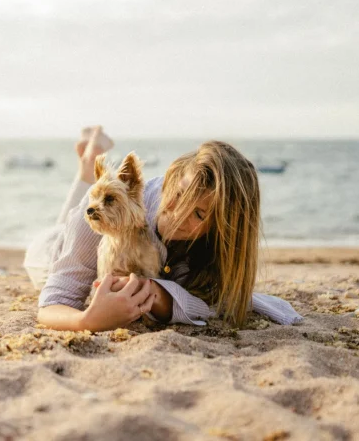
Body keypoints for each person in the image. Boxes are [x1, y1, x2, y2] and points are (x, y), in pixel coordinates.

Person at [24, 126, 303, 332]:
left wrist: (158, 293)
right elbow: (53, 303)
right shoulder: (129, 199)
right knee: (71, 222)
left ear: (221, 229)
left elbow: (218, 302)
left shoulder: (212, 249)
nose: (178, 215)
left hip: (105, 215)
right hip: (50, 252)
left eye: (198, 213)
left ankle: (88, 165)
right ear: (172, 174)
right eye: (179, 195)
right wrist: (87, 321)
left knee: (83, 213)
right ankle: (87, 168)